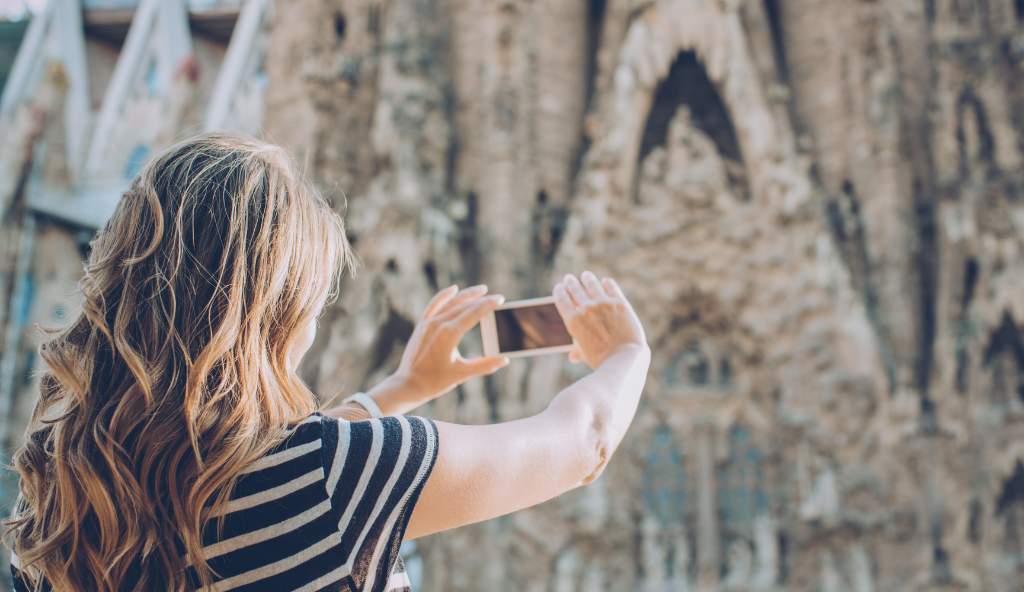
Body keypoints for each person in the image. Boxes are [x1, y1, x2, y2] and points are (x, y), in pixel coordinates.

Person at [3, 134, 650, 592]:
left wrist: (401, 389)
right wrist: (625, 354)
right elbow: (582, 444)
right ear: (274, 315)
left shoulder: (59, 513)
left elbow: (260, 479)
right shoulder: (339, 480)